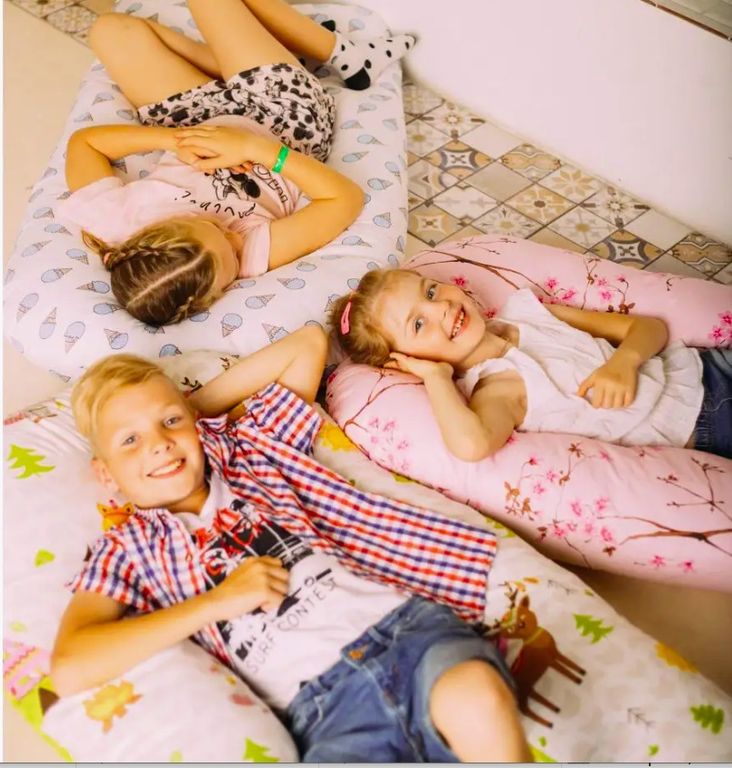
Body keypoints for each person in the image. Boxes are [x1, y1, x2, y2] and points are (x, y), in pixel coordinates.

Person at [50, 327, 531, 762]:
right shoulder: (128, 550)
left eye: (169, 422)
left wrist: (190, 413)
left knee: (477, 698)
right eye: (130, 440)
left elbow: (306, 344)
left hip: (405, 632)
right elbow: (71, 666)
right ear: (105, 475)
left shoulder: (246, 452)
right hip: (324, 707)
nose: (158, 443)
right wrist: (218, 602)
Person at [56, 0, 415, 325]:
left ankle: (272, 54)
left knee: (110, 30)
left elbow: (86, 144)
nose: (233, 233)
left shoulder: (116, 221)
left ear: (157, 232)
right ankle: (343, 55)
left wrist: (172, 141)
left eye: (214, 226)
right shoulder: (254, 253)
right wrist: (258, 150)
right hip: (284, 120)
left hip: (192, 119)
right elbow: (344, 198)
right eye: (233, 250)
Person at [329, 268, 732, 461]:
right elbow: (471, 446)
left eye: (431, 291)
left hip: (702, 366)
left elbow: (648, 328)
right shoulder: (497, 389)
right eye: (418, 324)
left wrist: (624, 361)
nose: (441, 308)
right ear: (407, 361)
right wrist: (435, 377)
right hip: (706, 423)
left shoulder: (528, 311)